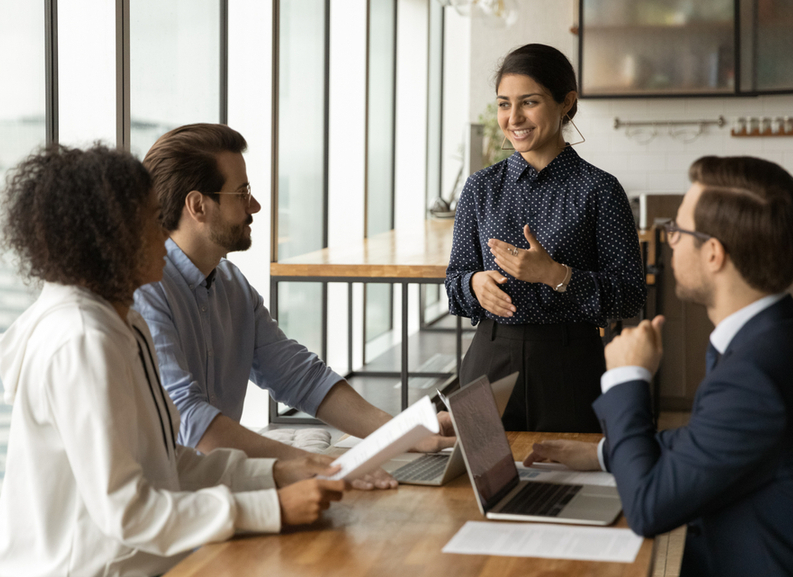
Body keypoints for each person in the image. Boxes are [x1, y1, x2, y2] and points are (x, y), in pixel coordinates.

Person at [0, 145, 348, 577]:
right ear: (107, 237)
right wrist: (269, 507)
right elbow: (128, 512)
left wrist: (276, 473)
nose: (165, 231)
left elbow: (167, 463)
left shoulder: (122, 321)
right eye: (150, 219)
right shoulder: (82, 340)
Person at [524, 156, 793, 576]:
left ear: (712, 254)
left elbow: (649, 509)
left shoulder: (756, 373)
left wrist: (626, 376)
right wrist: (605, 453)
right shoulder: (774, 336)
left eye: (677, 230)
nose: (669, 240)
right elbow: (710, 442)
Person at [133, 124, 453, 483]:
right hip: (168, 501)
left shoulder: (232, 284)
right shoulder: (144, 293)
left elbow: (301, 377)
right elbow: (189, 421)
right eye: (242, 193)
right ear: (198, 206)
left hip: (222, 484)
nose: (254, 205)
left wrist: (405, 432)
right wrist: (318, 467)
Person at [446, 44, 646, 433]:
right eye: (504, 104)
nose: (513, 117)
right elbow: (454, 282)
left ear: (566, 103)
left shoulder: (600, 190)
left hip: (569, 364)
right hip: (488, 358)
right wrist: (473, 283)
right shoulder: (480, 188)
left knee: (568, 485)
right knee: (477, 484)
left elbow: (630, 295)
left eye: (529, 102)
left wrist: (557, 275)